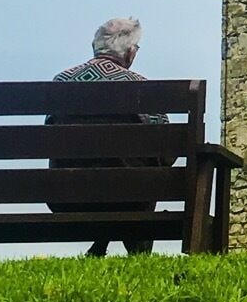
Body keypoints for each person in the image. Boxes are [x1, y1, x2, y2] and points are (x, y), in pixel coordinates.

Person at [49, 17, 167, 257]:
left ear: (95, 47)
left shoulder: (61, 83)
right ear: (131, 52)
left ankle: (101, 244)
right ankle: (138, 254)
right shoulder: (141, 88)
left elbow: (50, 141)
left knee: (107, 173)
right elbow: (166, 153)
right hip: (131, 198)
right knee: (139, 174)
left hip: (68, 197)